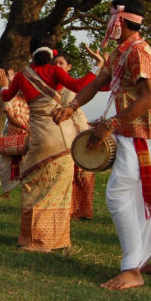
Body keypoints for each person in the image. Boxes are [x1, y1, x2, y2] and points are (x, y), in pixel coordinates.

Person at [52, 0, 151, 290]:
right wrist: (71, 107)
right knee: (150, 199)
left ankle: (132, 268)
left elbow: (148, 98)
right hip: (132, 134)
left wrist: (110, 125)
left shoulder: (139, 53)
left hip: (143, 138)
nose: (108, 25)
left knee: (120, 196)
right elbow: (96, 84)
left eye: (112, 19)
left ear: (122, 21)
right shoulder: (121, 53)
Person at [0, 33, 98, 253]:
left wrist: (3, 86)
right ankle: (55, 239)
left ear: (30, 52)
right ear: (52, 53)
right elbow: (80, 84)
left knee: (33, 185)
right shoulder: (56, 71)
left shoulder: (23, 75)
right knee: (58, 190)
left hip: (40, 137)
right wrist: (98, 67)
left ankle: (32, 239)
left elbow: (7, 97)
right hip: (63, 137)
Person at [52, 52, 97, 219]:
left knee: (83, 173)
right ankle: (71, 209)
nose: (58, 67)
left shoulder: (71, 85)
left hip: (78, 129)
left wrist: (97, 66)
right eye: (55, 64)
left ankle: (84, 210)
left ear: (69, 67)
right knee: (69, 173)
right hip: (64, 132)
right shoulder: (53, 86)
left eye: (61, 63)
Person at [0, 88, 29, 198]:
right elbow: (10, 117)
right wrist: (24, 126)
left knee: (28, 166)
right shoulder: (11, 98)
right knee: (4, 166)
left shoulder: (33, 101)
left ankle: (28, 193)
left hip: (28, 138)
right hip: (12, 138)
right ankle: (6, 193)